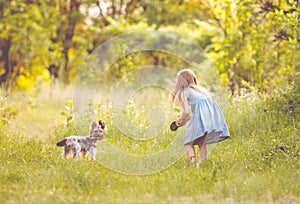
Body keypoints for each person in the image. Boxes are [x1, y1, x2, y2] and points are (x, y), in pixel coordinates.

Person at [171, 69, 230, 165]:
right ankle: (202, 163)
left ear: (179, 82)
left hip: (203, 117)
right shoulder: (201, 90)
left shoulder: (185, 92)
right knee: (201, 142)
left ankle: (192, 163)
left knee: (188, 142)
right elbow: (201, 112)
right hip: (212, 116)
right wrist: (186, 119)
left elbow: (186, 111)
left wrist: (182, 119)